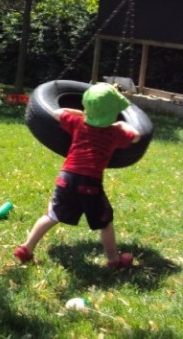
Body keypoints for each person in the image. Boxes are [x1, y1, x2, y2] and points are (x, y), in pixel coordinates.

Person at [14, 83, 142, 268]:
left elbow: (57, 113)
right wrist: (122, 124)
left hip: (66, 177)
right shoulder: (115, 133)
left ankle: (26, 248)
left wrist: (82, 113)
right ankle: (114, 260)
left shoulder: (77, 122)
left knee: (52, 215)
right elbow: (137, 136)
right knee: (105, 222)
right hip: (90, 182)